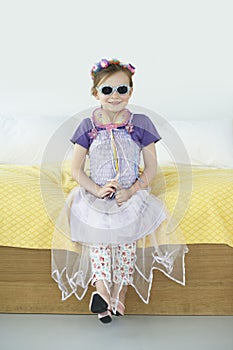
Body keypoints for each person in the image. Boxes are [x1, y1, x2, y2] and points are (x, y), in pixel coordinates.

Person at [51, 58, 188, 324]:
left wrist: (134, 190)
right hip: (95, 193)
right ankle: (102, 289)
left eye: (122, 90)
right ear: (95, 93)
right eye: (107, 90)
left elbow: (151, 167)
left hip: (129, 194)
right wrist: (97, 189)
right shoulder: (87, 126)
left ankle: (120, 292)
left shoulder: (141, 123)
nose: (115, 96)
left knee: (126, 240)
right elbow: (76, 170)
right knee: (100, 235)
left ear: (131, 91)